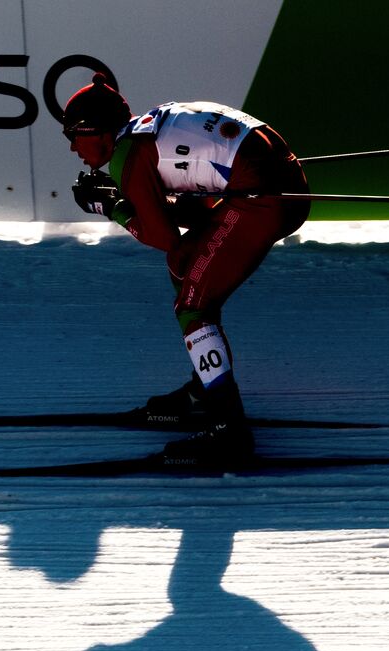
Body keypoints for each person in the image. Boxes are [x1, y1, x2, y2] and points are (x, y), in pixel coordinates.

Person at [64, 72, 310, 464]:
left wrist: (110, 207)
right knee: (185, 267)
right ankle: (202, 395)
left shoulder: (128, 156)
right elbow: (194, 212)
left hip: (262, 199)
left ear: (95, 131)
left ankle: (229, 431)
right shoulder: (150, 128)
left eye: (71, 135)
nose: (73, 148)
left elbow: (164, 236)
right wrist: (134, 200)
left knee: (192, 307)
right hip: (276, 181)